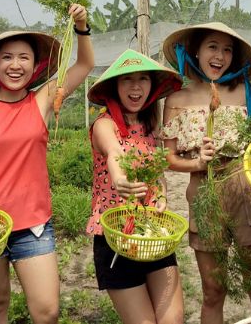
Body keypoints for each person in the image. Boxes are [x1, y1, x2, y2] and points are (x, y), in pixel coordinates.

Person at [0, 4, 93, 324]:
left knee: (47, 311)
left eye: (23, 57)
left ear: (35, 65)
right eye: (7, 57)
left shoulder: (42, 100)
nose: (15, 65)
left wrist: (81, 26)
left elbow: (84, 64)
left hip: (33, 225)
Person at [160, 22, 251, 324]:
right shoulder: (177, 100)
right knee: (213, 290)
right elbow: (168, 158)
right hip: (204, 197)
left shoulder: (248, 93)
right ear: (196, 51)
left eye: (227, 49)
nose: (220, 55)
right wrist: (197, 164)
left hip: (249, 196)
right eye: (212, 47)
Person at [85, 48, 184, 324]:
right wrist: (119, 179)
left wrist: (161, 195)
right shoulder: (105, 125)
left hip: (153, 236)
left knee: (173, 319)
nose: (136, 86)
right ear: (115, 87)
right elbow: (114, 152)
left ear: (152, 87)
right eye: (127, 79)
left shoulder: (150, 128)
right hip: (115, 237)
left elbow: (158, 175)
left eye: (143, 79)